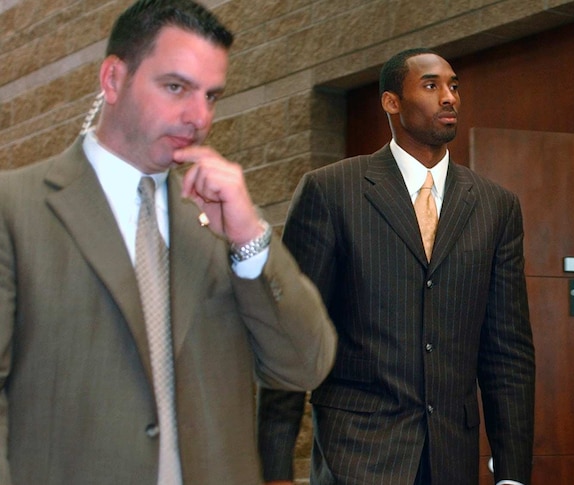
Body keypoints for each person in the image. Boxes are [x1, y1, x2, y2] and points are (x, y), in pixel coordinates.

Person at [0, 0, 338, 483]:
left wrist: (249, 240)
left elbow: (306, 365)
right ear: (113, 79)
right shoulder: (14, 209)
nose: (198, 117)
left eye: (212, 96)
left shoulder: (221, 222)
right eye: (176, 87)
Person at [257, 48, 536, 485]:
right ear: (391, 102)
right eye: (431, 85)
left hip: (451, 457)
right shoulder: (332, 192)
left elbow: (508, 353)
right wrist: (273, 470)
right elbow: (289, 336)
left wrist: (513, 473)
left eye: (454, 86)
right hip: (356, 455)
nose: (449, 98)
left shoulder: (496, 206)